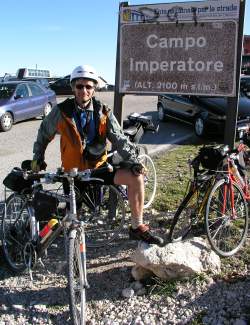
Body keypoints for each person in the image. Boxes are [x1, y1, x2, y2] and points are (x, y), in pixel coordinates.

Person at [31, 65, 164, 246]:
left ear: (94, 88)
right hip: (73, 174)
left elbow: (119, 139)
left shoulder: (103, 111)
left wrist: (134, 161)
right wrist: (38, 158)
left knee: (136, 177)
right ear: (73, 87)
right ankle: (71, 253)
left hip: (98, 169)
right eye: (79, 86)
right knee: (71, 223)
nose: (84, 90)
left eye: (88, 86)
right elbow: (43, 134)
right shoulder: (61, 111)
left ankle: (137, 227)